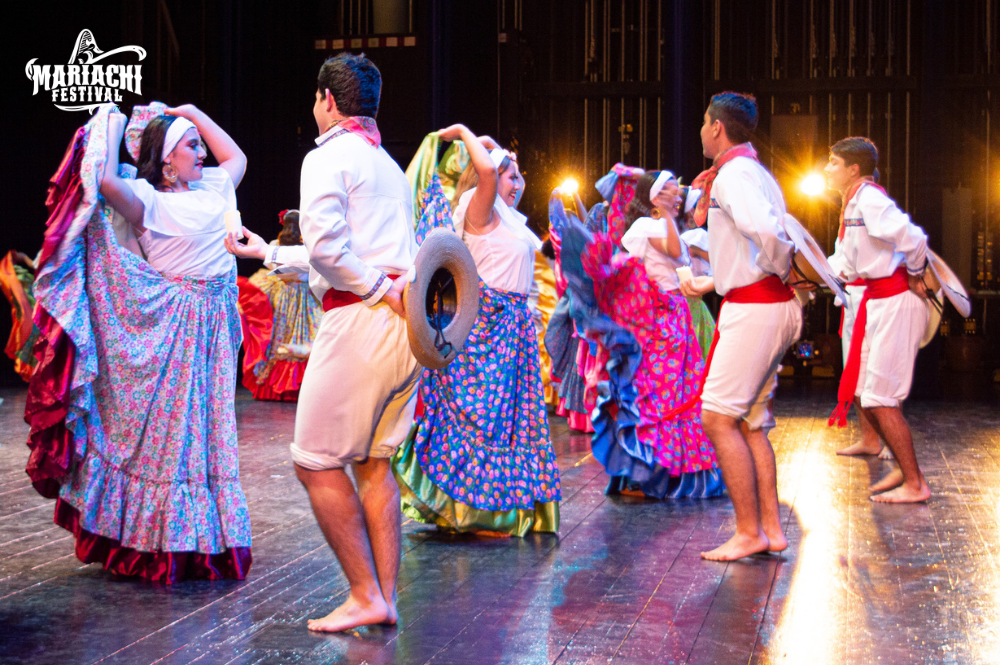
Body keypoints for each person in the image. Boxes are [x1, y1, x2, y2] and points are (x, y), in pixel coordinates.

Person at [228, 53, 419, 631]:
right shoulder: (388, 164)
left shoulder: (328, 155)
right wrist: (270, 253)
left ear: (327, 101)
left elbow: (335, 253)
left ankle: (364, 593)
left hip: (362, 319)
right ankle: (383, 597)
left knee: (314, 461)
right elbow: (348, 251)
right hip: (403, 331)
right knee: (374, 463)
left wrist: (379, 290)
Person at [25, 101, 252, 583]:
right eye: (192, 146)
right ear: (167, 158)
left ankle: (204, 536)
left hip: (215, 324)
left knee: (208, 431)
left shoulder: (214, 187)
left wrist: (193, 113)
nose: (202, 154)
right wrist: (111, 121)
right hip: (178, 325)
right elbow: (106, 181)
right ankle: (162, 542)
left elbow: (237, 157)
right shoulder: (148, 200)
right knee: (175, 436)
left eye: (199, 145)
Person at [392, 125, 562, 537]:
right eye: (510, 175)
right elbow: (485, 172)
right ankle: (473, 510)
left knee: (511, 424)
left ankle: (507, 508)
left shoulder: (510, 220)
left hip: (513, 331)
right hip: (486, 331)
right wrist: (465, 134)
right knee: (482, 421)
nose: (517, 184)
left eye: (519, 177)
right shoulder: (477, 207)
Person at [680, 92, 802, 561]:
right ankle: (769, 529)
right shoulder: (753, 172)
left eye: (703, 122)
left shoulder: (733, 175)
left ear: (717, 127)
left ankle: (749, 531)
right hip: (760, 301)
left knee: (717, 418)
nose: (700, 131)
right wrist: (714, 281)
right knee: (751, 424)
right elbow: (750, 247)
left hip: (757, 307)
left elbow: (767, 233)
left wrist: (786, 269)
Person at [582, 170, 723, 499]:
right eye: (670, 189)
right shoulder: (646, 226)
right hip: (657, 318)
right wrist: (667, 213)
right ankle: (650, 472)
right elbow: (673, 251)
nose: (678, 194)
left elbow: (683, 263)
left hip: (677, 314)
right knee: (657, 391)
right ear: (653, 196)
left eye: (677, 189)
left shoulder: (669, 226)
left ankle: (679, 469)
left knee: (681, 390)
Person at [825, 137, 931, 502]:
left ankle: (915, 484)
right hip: (875, 301)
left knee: (881, 398)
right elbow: (845, 262)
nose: (827, 169)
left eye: (833, 162)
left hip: (894, 300)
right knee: (868, 394)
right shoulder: (854, 202)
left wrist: (915, 274)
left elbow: (913, 239)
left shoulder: (869, 198)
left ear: (853, 169)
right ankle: (904, 468)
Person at [237, 209, 323, 402]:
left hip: (282, 294)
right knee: (305, 336)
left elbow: (271, 265)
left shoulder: (275, 246)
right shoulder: (306, 247)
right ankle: (300, 388)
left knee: (280, 335)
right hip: (304, 294)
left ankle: (276, 387)